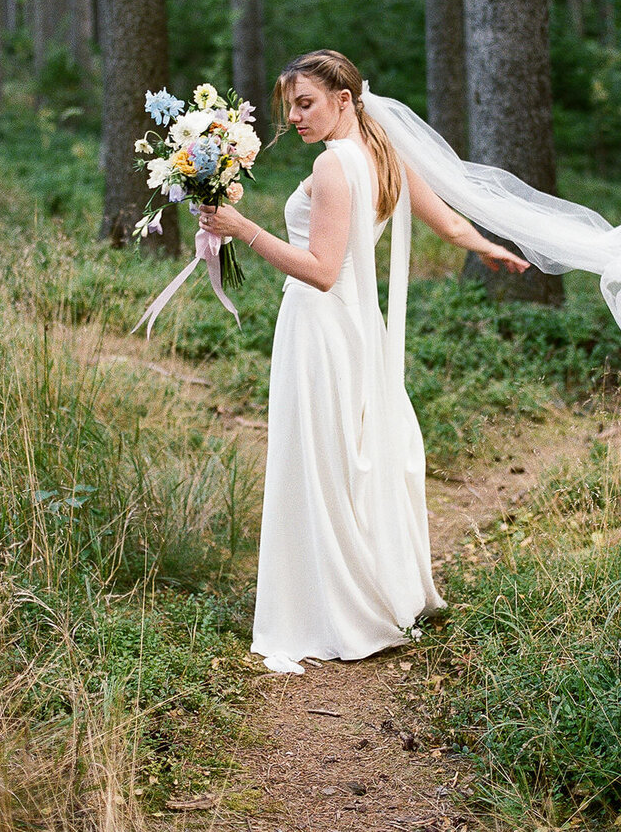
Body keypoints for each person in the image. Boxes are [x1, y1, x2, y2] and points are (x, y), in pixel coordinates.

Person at [198, 50, 529, 674]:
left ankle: (333, 607)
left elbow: (322, 271)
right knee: (345, 453)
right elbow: (451, 227)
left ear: (344, 101)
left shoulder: (333, 166)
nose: (294, 118)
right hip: (359, 329)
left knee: (320, 459)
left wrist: (243, 229)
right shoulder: (384, 156)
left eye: (306, 104)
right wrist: (489, 249)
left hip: (321, 327)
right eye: (289, 106)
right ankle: (368, 585)